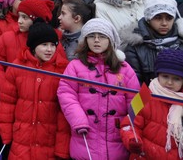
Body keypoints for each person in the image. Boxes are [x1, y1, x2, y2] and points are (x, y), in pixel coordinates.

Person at [58, 18, 140, 160]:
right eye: (92, 36)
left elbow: (135, 102)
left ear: (110, 40)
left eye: (102, 36)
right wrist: (78, 120)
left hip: (117, 142)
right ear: (85, 40)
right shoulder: (75, 66)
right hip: (85, 136)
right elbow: (66, 94)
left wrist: (130, 127)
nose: (96, 40)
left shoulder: (125, 69)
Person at [0, 21, 71, 160]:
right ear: (33, 46)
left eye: (53, 45)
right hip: (21, 140)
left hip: (49, 141)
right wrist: (6, 136)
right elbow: (7, 104)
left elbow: (64, 114)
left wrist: (62, 150)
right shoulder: (17, 67)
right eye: (44, 45)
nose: (49, 49)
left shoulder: (63, 70)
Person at [121, 49, 183, 159]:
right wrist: (132, 139)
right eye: (165, 76)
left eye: (176, 79)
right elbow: (129, 125)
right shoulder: (143, 96)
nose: (169, 82)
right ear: (158, 74)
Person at [124, 0, 183, 85]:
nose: (164, 23)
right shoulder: (135, 47)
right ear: (148, 19)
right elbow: (133, 82)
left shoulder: (182, 44)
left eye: (169, 18)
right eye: (158, 18)